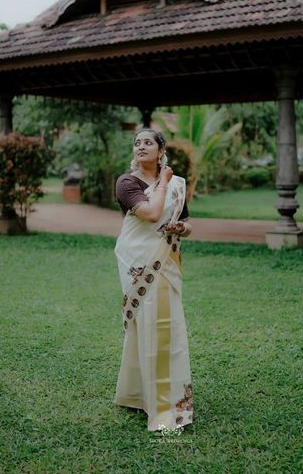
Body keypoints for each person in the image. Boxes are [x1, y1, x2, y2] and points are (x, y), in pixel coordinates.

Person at [114, 128, 194, 432]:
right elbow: (151, 213)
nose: (140, 146)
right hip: (138, 261)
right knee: (151, 326)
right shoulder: (127, 182)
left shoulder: (177, 185)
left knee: (163, 327)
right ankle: (162, 405)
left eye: (148, 142)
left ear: (161, 151)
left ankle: (137, 395)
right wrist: (163, 179)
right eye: (137, 143)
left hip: (166, 261)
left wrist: (182, 229)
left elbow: (185, 221)